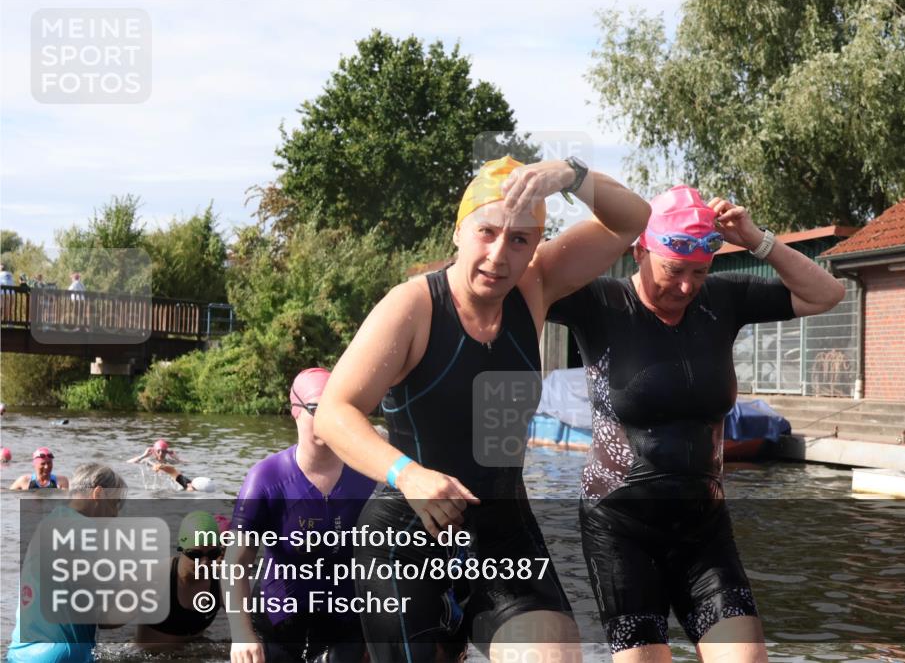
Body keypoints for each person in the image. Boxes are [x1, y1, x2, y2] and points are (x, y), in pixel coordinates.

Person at [313, 155, 650, 662]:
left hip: (503, 531)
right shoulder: (412, 307)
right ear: (459, 232)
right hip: (406, 534)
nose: (498, 255)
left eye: (519, 240)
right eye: (487, 232)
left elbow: (633, 221)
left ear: (535, 246)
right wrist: (407, 474)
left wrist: (574, 175)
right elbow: (335, 411)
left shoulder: (534, 287)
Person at [546, 185, 845, 663]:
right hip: (621, 526)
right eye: (674, 270)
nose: (686, 287)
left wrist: (755, 240)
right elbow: (524, 280)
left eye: (699, 273)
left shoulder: (722, 300)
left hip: (702, 528)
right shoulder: (596, 302)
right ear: (640, 251)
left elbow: (828, 293)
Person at [227, 367, 376, 663]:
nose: (325, 418)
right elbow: (236, 561)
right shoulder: (266, 477)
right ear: (295, 410)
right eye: (315, 408)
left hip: (345, 625)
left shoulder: (368, 474)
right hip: (277, 624)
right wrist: (241, 635)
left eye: (334, 408)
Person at [7, 463, 127, 663]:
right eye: (115, 503)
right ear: (99, 494)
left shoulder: (48, 523)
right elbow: (109, 618)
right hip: (63, 655)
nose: (116, 514)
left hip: (19, 653)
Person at [135, 511, 224, 652]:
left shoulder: (220, 583)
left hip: (194, 656)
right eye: (195, 555)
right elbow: (107, 623)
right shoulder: (156, 576)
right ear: (180, 549)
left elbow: (252, 618)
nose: (204, 563)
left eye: (212, 554)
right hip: (152, 658)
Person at [151, 464, 215, 492]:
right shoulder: (188, 486)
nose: (188, 484)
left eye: (191, 486)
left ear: (196, 490)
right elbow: (173, 472)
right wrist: (161, 466)